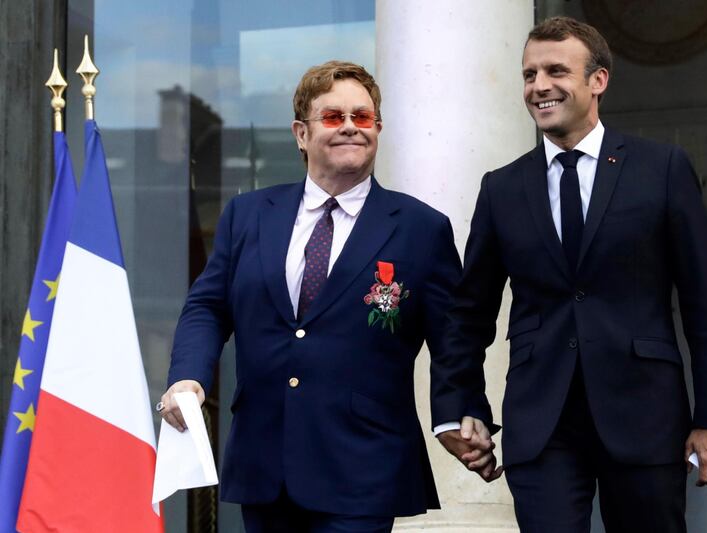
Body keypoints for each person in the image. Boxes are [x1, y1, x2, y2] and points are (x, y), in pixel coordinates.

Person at [432, 16, 707, 533]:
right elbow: (468, 313)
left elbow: (705, 303)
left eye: (556, 71)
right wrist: (456, 406)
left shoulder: (661, 169)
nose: (539, 86)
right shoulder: (502, 188)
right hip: (541, 422)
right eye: (530, 75)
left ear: (598, 80)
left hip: (644, 415)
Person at [158, 61, 491, 533]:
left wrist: (459, 412)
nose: (352, 127)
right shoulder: (248, 215)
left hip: (363, 463)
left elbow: (453, 336)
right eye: (334, 117)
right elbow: (208, 306)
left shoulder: (420, 228)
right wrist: (188, 377)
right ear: (301, 133)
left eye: (364, 117)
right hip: (265, 461)